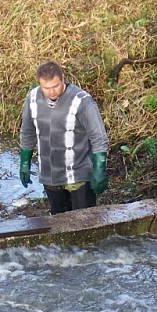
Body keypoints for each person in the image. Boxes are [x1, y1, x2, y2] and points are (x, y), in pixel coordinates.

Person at [19, 61, 109, 215]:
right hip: (50, 174)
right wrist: (24, 163)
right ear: (39, 84)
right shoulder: (33, 98)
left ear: (63, 79)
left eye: (55, 86)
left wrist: (99, 169)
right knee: (59, 222)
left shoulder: (82, 101)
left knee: (85, 222)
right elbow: (27, 132)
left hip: (79, 173)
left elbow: (98, 137)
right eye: (46, 88)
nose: (51, 92)